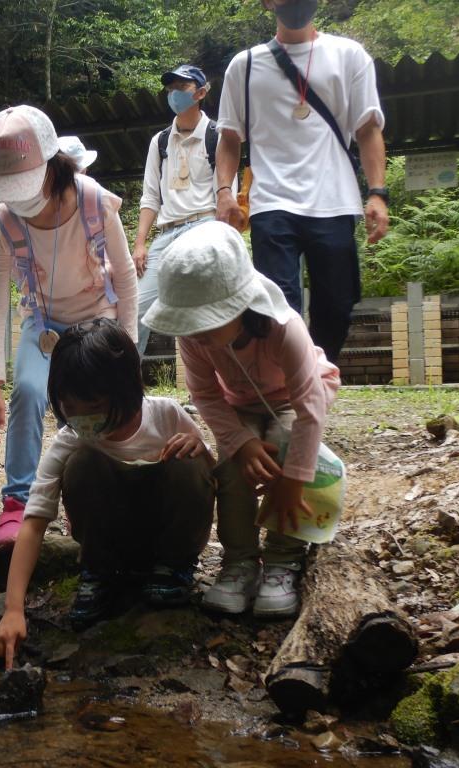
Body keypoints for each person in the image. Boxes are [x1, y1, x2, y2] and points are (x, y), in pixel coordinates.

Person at [143, 221, 340, 618]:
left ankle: (284, 559)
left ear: (240, 305)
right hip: (241, 403)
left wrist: (293, 478)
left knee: (284, 445)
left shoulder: (284, 328)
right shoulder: (194, 339)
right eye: (189, 323)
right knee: (234, 465)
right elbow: (207, 396)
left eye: (206, 320)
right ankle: (240, 561)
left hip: (292, 399)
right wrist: (241, 442)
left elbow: (309, 406)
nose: (195, 333)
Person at [0, 319, 216, 664]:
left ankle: (173, 569)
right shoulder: (72, 439)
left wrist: (199, 447)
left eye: (93, 406)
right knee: (82, 463)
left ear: (124, 391)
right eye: (70, 408)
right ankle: (98, 573)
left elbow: (209, 479)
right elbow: (34, 522)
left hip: (166, 539)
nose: (82, 418)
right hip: (109, 547)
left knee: (189, 457)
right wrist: (12, 609)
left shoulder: (166, 417)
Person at [0, 105, 139, 549]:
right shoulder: (5, 222)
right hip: (43, 322)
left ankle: (93, 494)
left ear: (53, 166)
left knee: (94, 406)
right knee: (28, 391)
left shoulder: (94, 201)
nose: (19, 197)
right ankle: (17, 502)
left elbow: (124, 277)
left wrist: (129, 346)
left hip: (97, 319)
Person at [214, 0, 389, 364]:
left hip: (334, 201)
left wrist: (377, 193)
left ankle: (316, 376)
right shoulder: (244, 66)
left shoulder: (349, 55)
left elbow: (368, 129)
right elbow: (229, 139)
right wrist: (224, 192)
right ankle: (292, 391)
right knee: (277, 308)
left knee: (337, 306)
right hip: (272, 203)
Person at [132, 64, 225, 357]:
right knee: (135, 310)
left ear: (200, 93)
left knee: (205, 313)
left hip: (204, 225)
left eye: (181, 89)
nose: (174, 95)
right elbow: (150, 196)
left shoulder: (217, 135)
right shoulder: (159, 141)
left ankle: (216, 390)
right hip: (167, 233)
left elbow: (226, 194)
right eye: (170, 89)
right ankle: (123, 390)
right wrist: (139, 243)